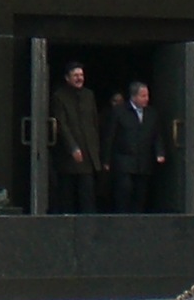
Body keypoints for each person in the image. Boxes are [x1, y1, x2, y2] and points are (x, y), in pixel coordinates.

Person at [105, 82, 169, 214]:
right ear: (133, 97)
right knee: (124, 190)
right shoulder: (119, 112)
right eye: (143, 96)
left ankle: (137, 219)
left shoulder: (152, 113)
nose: (146, 99)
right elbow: (110, 136)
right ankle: (122, 217)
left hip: (143, 160)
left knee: (140, 194)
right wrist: (106, 160)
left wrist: (160, 152)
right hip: (123, 160)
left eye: (147, 95)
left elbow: (157, 135)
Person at [48, 61, 101, 215]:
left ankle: (89, 226)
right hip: (68, 156)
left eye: (81, 75)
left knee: (88, 195)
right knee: (67, 195)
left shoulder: (89, 95)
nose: (79, 78)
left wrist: (96, 150)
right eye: (75, 75)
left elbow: (94, 122)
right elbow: (61, 124)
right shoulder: (59, 96)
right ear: (67, 78)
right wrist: (72, 147)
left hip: (88, 153)